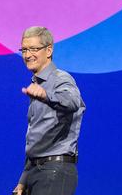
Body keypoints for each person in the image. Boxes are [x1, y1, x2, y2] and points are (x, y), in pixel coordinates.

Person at [13, 26, 85, 195]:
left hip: (55, 171)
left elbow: (72, 101)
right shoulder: (37, 85)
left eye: (34, 49)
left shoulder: (60, 78)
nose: (27, 55)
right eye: (24, 50)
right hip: (36, 171)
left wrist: (46, 95)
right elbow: (38, 140)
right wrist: (23, 181)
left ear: (49, 50)